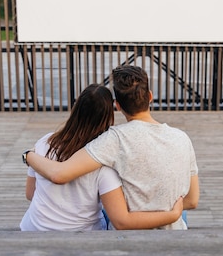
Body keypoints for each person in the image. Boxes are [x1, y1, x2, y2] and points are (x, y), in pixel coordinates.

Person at [26, 65, 199, 230]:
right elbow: (192, 200)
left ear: (117, 106)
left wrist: (28, 156)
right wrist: (170, 212)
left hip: (130, 235)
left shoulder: (114, 139)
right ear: (150, 96)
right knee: (181, 212)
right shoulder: (182, 138)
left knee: (104, 206)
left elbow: (60, 174)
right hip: (174, 231)